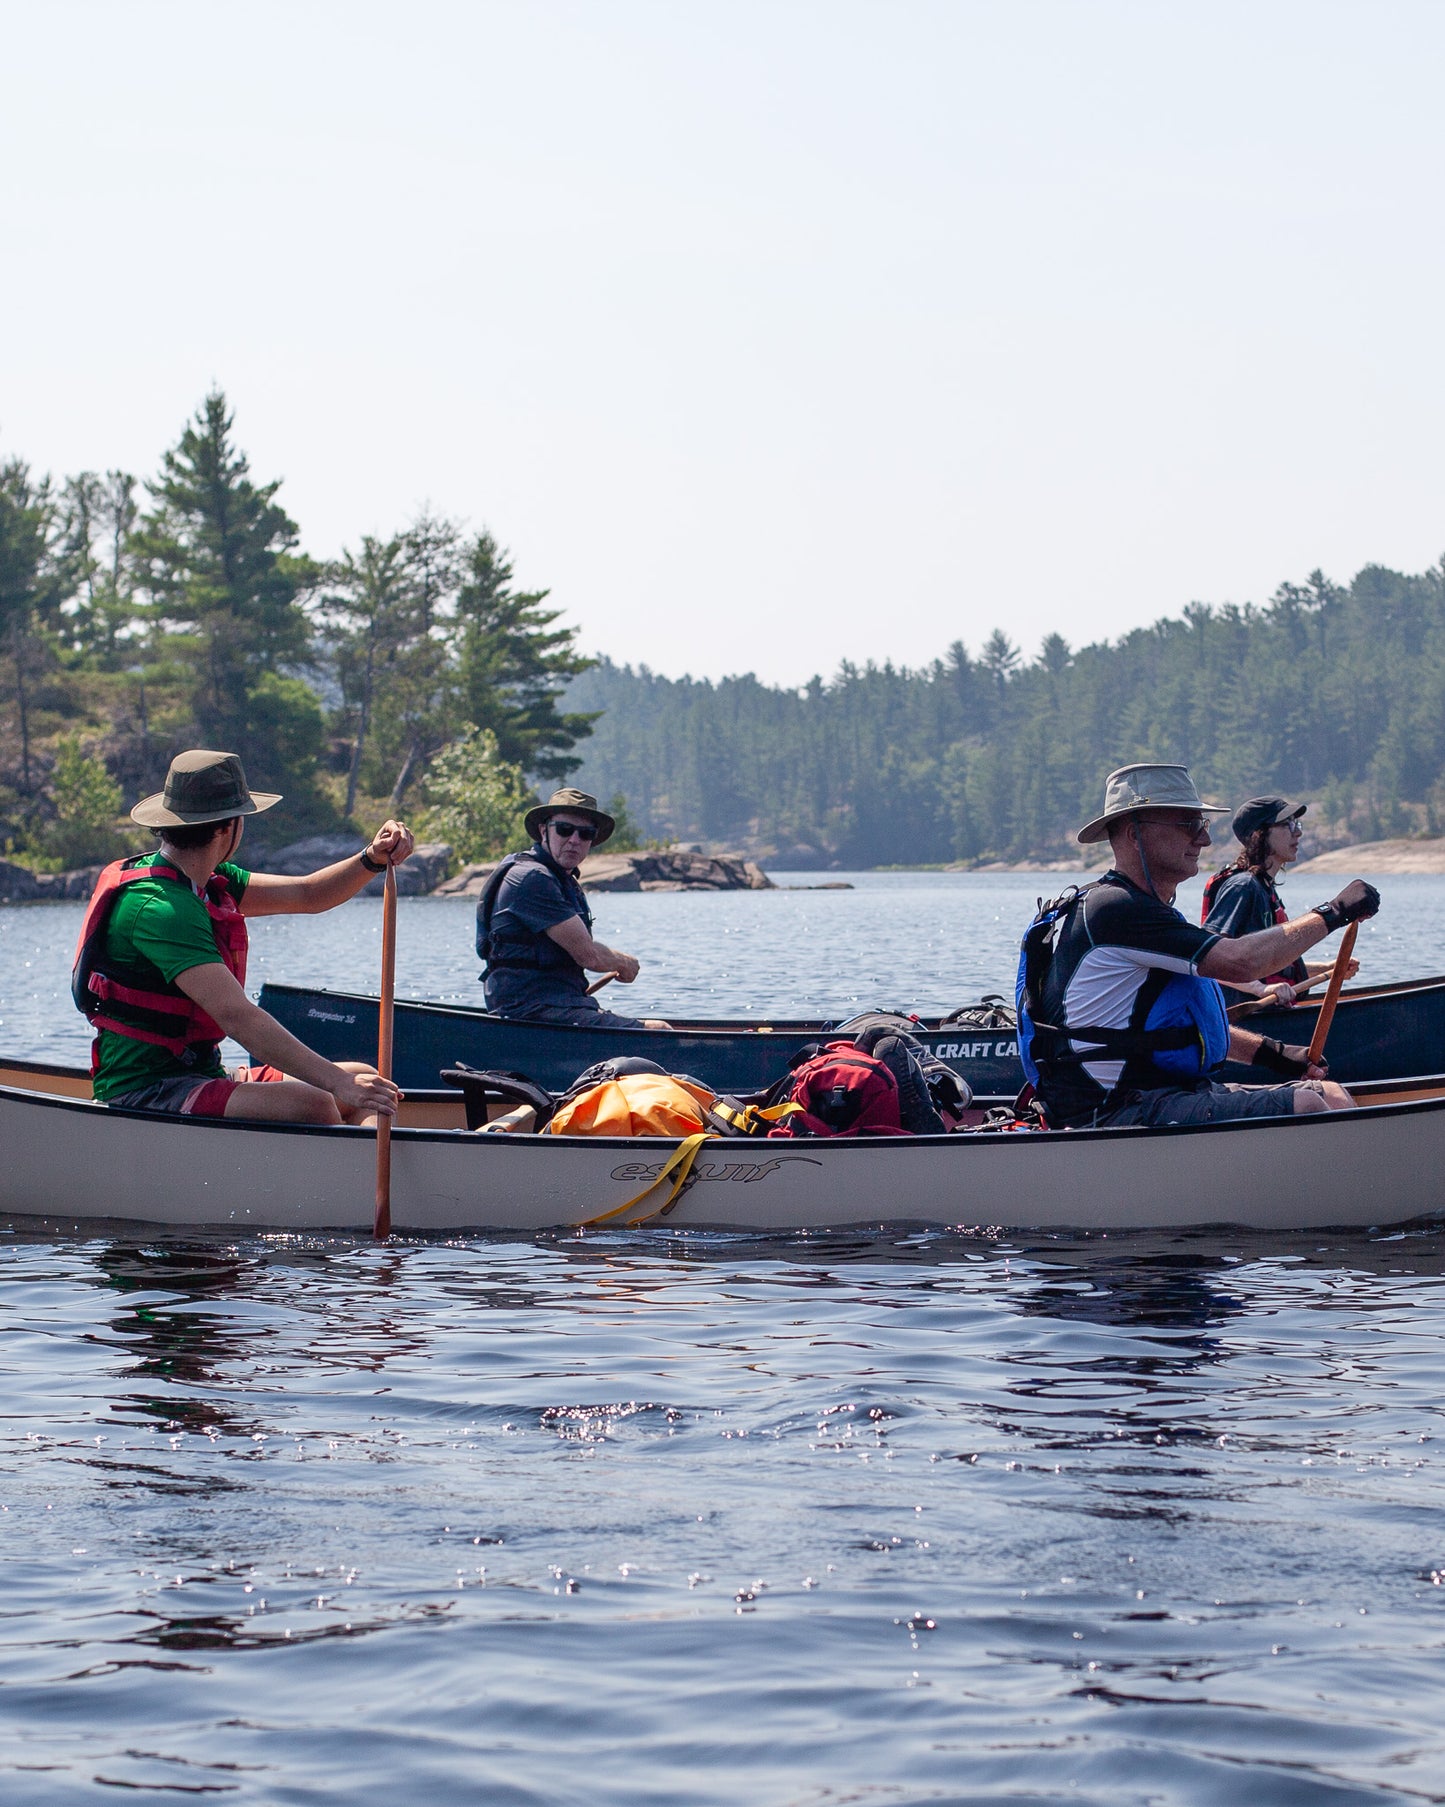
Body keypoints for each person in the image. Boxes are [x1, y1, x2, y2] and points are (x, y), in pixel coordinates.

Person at [1016, 763, 1380, 1129]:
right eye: (1188, 825)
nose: (1203, 840)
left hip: (1162, 1095)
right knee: (1309, 1104)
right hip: (1114, 1111)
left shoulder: (1146, 911)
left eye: (1202, 826)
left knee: (1328, 1093)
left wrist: (1277, 1055)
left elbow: (1181, 1029)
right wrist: (1334, 912)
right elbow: (1239, 962)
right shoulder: (1115, 910)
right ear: (1133, 834)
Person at [74, 748, 415, 1123]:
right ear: (226, 826)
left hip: (200, 1075)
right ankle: (346, 1175)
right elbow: (237, 1017)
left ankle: (367, 1176)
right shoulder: (162, 907)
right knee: (318, 1104)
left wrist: (371, 858)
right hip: (148, 1090)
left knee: (365, 1080)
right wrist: (335, 1084)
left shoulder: (208, 881)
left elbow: (309, 894)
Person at [476, 788, 668, 1027]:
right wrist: (623, 962)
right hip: (531, 1012)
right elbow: (588, 955)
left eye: (585, 834)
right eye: (565, 830)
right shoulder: (532, 879)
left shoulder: (561, 880)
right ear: (543, 830)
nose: (574, 840)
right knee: (657, 1030)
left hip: (558, 1007)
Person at [1201, 795, 1357, 1006]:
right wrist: (1261, 989)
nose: (1298, 832)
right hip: (1246, 1023)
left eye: (1297, 824)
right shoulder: (1242, 887)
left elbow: (1266, 965)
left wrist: (1329, 968)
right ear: (1259, 834)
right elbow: (1209, 959)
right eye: (1287, 825)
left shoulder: (1262, 887)